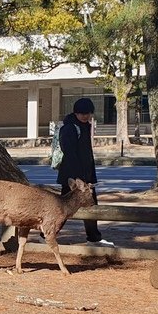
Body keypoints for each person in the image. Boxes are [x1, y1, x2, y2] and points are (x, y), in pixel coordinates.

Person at [57, 97, 113, 247]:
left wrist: (88, 176)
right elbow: (69, 153)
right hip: (73, 178)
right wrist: (76, 178)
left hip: (85, 177)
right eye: (82, 113)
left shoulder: (86, 126)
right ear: (76, 113)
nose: (86, 116)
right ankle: (48, 234)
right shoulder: (69, 128)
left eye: (88, 113)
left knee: (89, 205)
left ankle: (94, 237)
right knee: (63, 208)